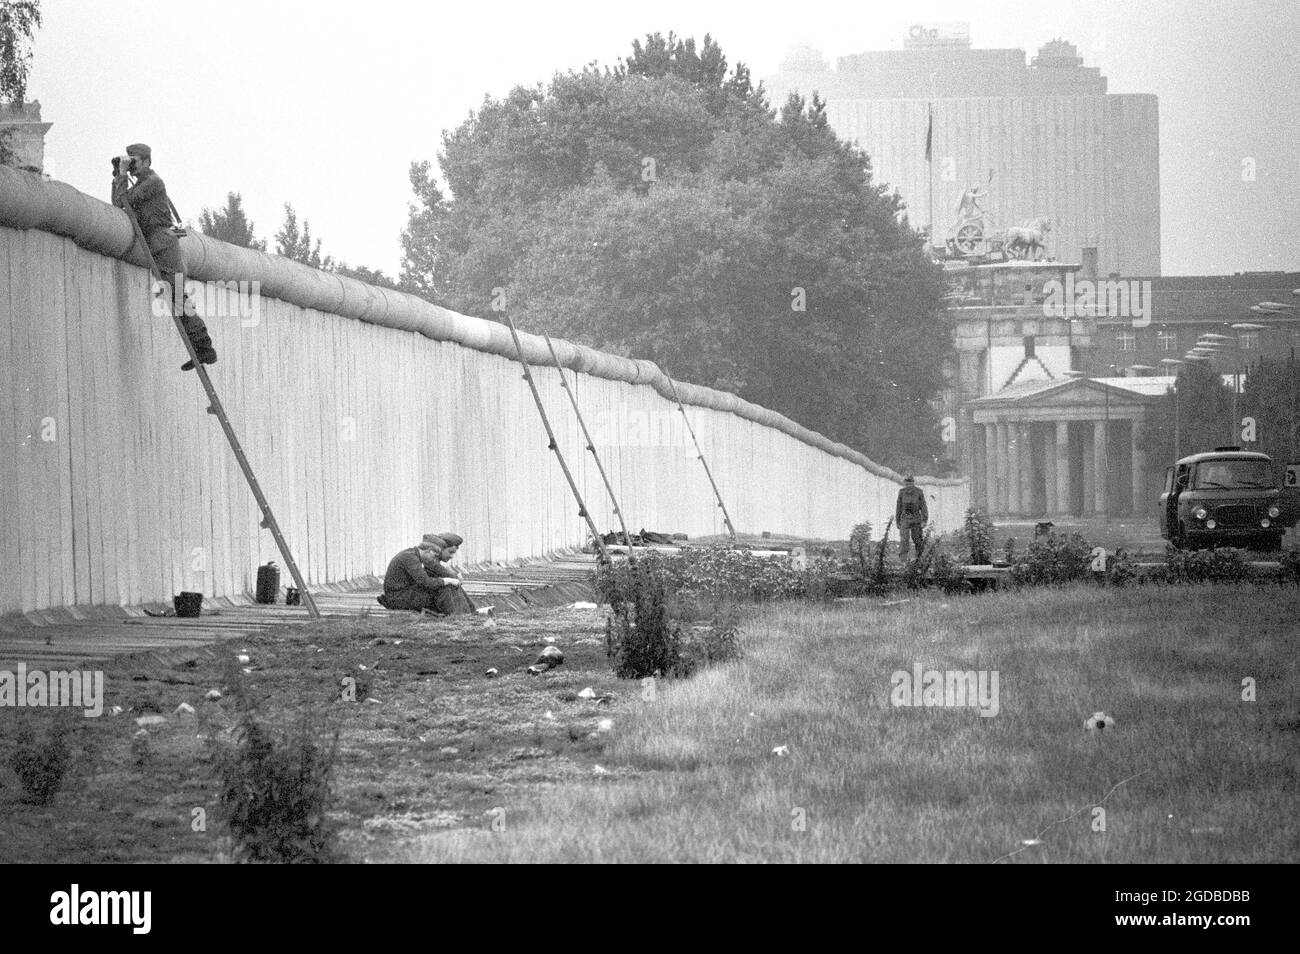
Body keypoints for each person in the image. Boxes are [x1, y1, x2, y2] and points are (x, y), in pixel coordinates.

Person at [111, 143, 218, 371]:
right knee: (176, 299)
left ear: (147, 161)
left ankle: (204, 347)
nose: (131, 166)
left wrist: (121, 176)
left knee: (178, 298)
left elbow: (123, 201)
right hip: (160, 245)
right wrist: (117, 176)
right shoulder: (142, 183)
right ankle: (201, 348)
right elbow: (117, 201)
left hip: (164, 244)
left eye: (134, 161)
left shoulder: (153, 182)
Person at [377, 533, 463, 613]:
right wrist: (447, 580)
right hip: (397, 598)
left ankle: (455, 613)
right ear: (429, 550)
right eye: (434, 556)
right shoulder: (409, 557)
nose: (433, 559)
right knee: (443, 588)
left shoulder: (412, 554)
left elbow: (431, 571)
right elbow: (426, 582)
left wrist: (451, 577)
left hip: (401, 594)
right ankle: (452, 616)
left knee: (442, 587)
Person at [423, 531, 478, 615]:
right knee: (451, 585)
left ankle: (468, 612)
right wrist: (455, 575)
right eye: (450, 552)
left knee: (453, 585)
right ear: (440, 549)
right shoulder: (431, 562)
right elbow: (450, 576)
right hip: (427, 597)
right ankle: (464, 613)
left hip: (432, 595)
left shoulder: (436, 563)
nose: (451, 556)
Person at [894, 475, 929, 560]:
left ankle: (919, 559)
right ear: (905, 483)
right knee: (904, 540)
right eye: (907, 483)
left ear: (913, 483)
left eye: (910, 483)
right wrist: (897, 521)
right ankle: (903, 560)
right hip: (904, 519)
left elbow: (923, 506)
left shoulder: (919, 492)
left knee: (917, 539)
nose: (908, 485)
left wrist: (924, 519)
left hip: (916, 518)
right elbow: (899, 507)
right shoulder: (901, 492)